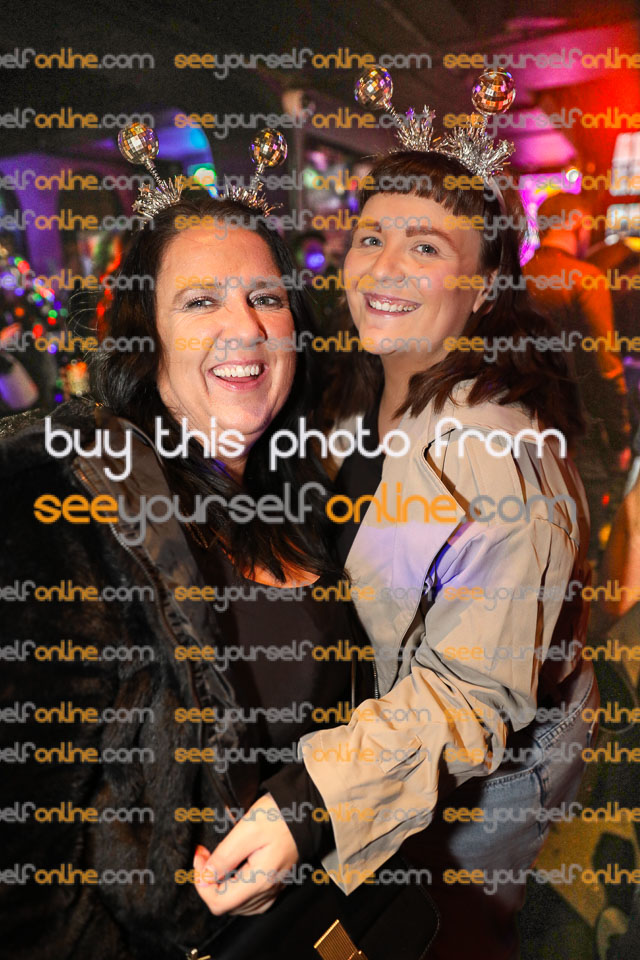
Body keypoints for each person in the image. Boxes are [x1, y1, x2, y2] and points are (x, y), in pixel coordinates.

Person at [1, 192, 434, 960]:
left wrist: (306, 817)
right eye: (201, 301)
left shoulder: (298, 491)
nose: (247, 328)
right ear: (145, 338)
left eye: (266, 297)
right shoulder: (74, 507)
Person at [196, 150, 600, 960]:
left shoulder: (495, 454)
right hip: (391, 737)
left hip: (492, 773)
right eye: (372, 238)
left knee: (446, 931)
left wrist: (311, 806)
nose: (385, 268)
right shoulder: (359, 382)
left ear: (483, 285)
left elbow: (471, 691)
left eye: (425, 246)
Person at [523, 193, 632, 563]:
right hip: (579, 434)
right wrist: (620, 435)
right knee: (581, 545)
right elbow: (606, 367)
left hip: (523, 433)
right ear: (577, 225)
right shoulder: (585, 279)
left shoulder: (513, 280)